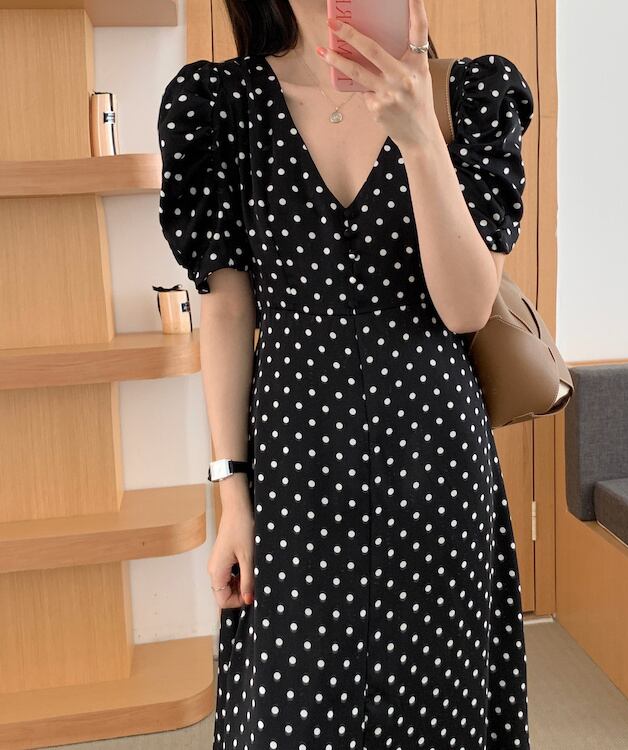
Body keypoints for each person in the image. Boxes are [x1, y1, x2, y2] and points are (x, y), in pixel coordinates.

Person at [157, 0, 534, 746]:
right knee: (291, 712)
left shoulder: (470, 95)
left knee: (435, 710)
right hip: (293, 474)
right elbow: (227, 315)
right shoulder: (219, 105)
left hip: (434, 468)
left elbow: (465, 308)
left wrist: (419, 135)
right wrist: (232, 495)